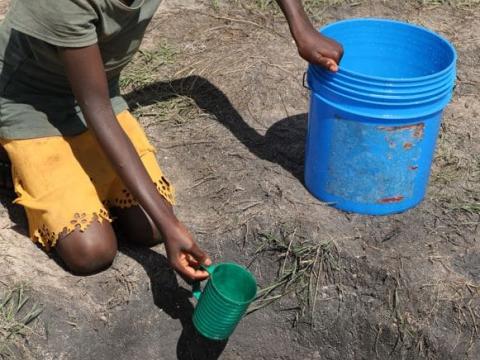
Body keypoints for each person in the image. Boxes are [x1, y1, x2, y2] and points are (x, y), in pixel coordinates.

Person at [0, 0, 342, 279]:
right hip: (29, 103)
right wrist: (171, 227)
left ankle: (90, 177)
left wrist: (301, 28)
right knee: (91, 251)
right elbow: (97, 111)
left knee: (147, 227)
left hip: (94, 89)